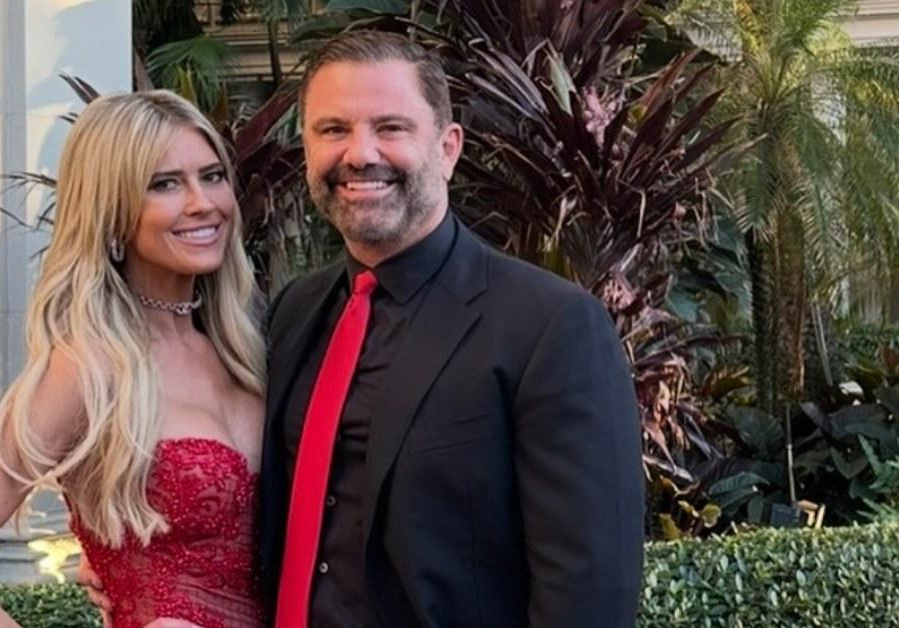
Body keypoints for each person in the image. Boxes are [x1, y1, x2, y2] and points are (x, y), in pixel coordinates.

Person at [83, 30, 643, 627]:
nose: (359, 153)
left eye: (391, 127)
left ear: (448, 148)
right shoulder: (294, 313)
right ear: (306, 148)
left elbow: (589, 601)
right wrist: (134, 564)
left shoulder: (549, 327)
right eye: (333, 130)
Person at [0, 90, 267, 628]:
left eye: (212, 176)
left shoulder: (250, 350)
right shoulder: (91, 367)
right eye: (164, 184)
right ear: (111, 211)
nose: (204, 202)